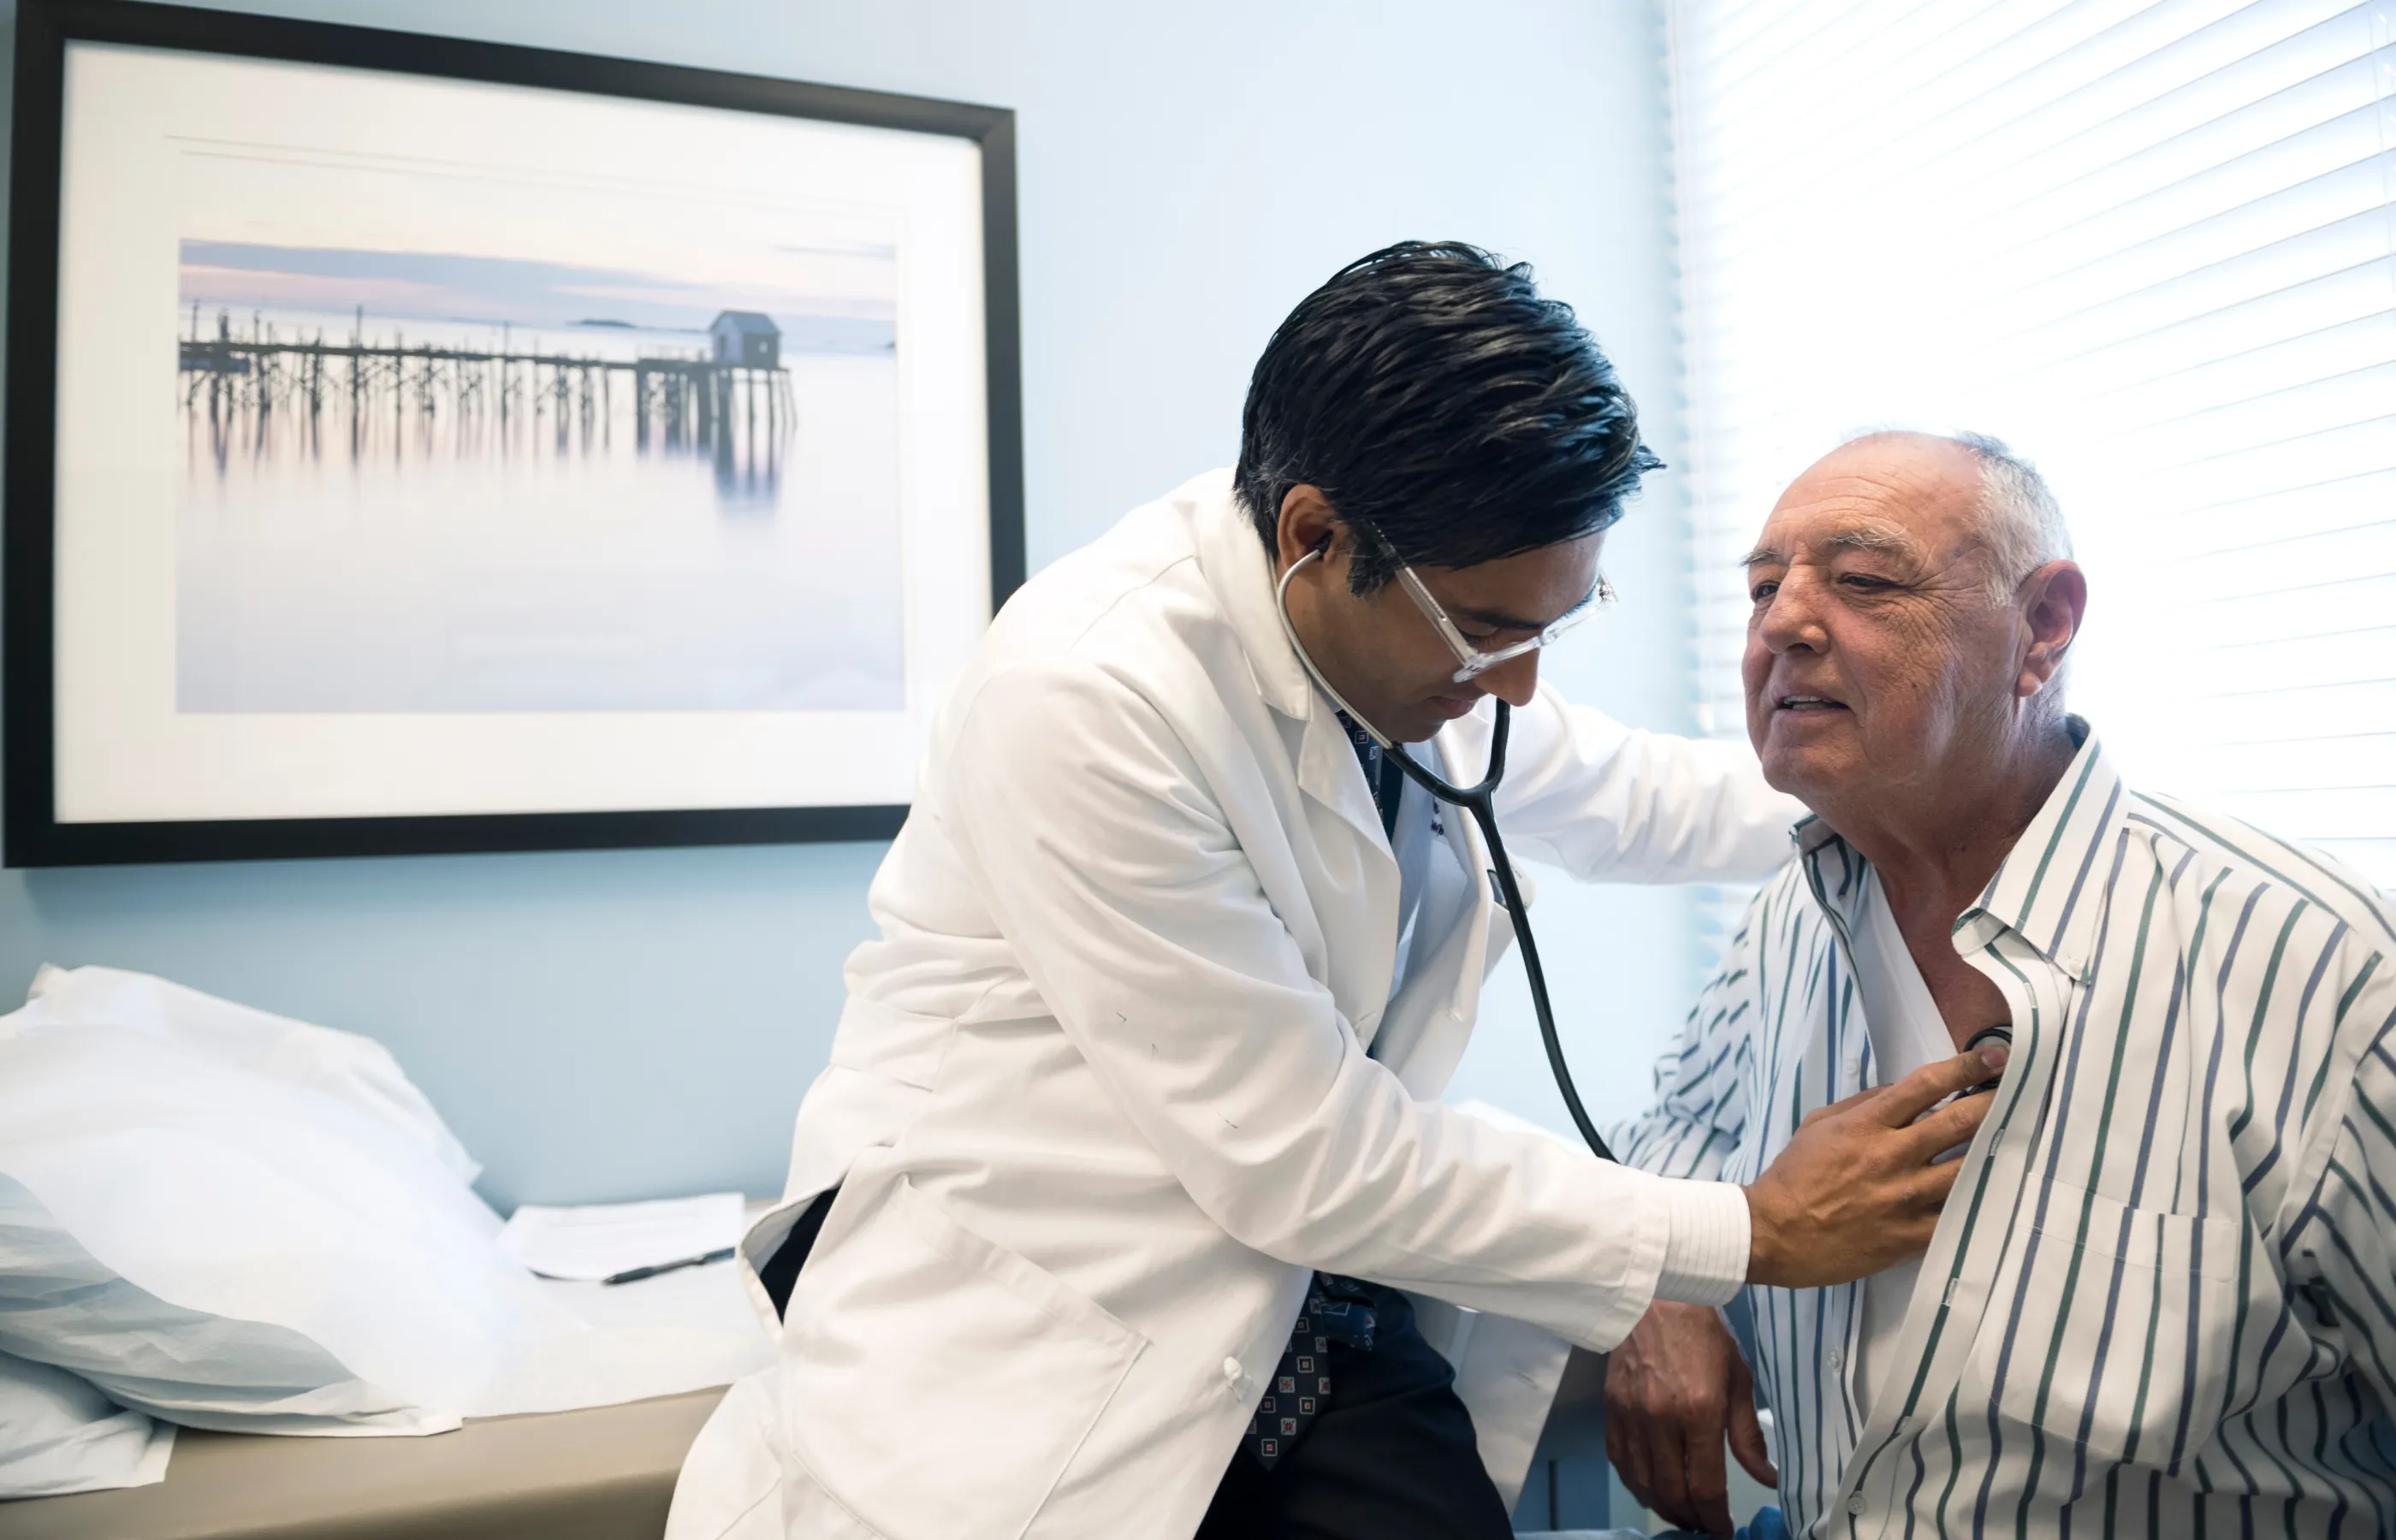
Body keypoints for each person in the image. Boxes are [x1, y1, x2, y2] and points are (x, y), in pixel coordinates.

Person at [664, 246, 2004, 1540]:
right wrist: (1747, 1231)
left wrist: (1938, 771)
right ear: (1314, 536)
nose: (1522, 687)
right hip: (1039, 1314)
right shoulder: (1083, 699)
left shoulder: (1390, 635)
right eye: (1491, 629)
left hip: (1297, 1301)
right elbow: (1308, 1153)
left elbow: (1630, 798)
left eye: (1552, 627)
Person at [1603, 430, 2396, 1538]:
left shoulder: (2319, 975)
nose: (1782, 622)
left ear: (2043, 628)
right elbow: (1677, 1124)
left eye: (1864, 580)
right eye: (1761, 587)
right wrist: (1670, 1288)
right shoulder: (1793, 916)